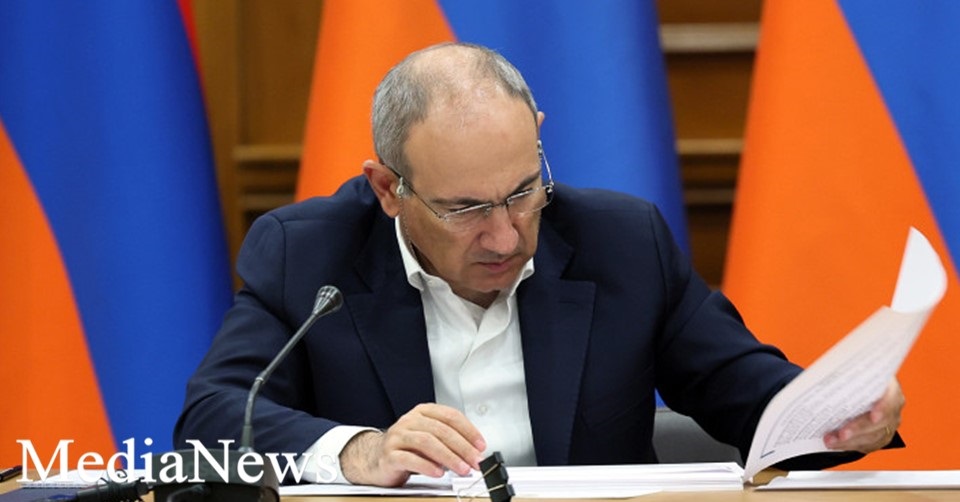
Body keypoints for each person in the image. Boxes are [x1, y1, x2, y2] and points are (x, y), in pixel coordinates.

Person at [174, 42, 904, 487]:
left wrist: (838, 414)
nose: (504, 236)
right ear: (388, 189)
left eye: (524, 191)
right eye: (464, 208)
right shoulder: (307, 254)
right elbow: (211, 422)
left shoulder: (622, 242)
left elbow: (746, 394)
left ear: (539, 139)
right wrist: (359, 452)